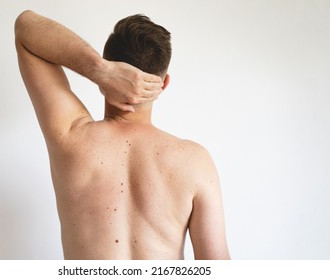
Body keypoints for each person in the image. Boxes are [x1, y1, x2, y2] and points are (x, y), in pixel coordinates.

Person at [14, 10, 230, 260]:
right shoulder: (195, 161)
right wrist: (102, 70)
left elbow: (25, 28)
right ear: (164, 82)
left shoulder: (72, 137)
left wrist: (99, 70)